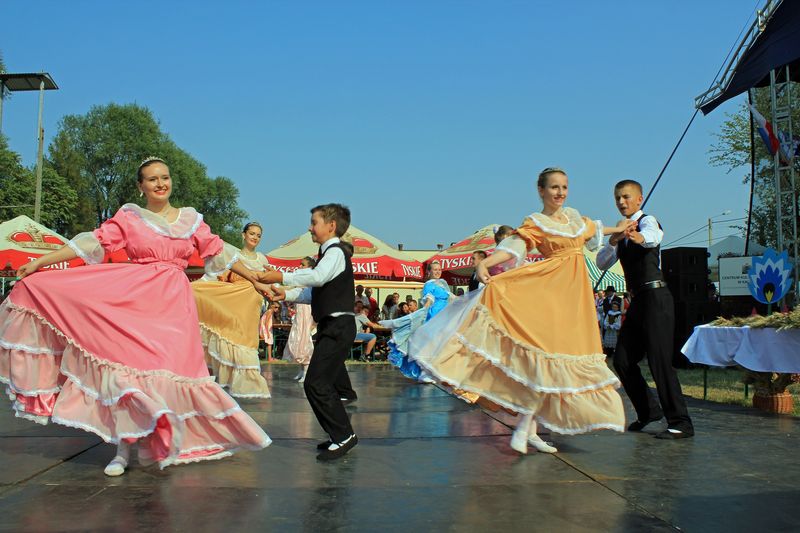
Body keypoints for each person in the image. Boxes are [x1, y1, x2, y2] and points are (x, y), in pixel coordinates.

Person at [0, 157, 270, 476]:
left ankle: (157, 439)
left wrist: (254, 279)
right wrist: (42, 263)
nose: (160, 183)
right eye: (152, 179)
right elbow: (92, 242)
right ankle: (122, 449)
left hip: (174, 306)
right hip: (135, 300)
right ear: (141, 187)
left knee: (172, 372)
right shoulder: (130, 217)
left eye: (165, 177)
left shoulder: (192, 220)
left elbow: (220, 253)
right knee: (127, 373)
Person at [409, 167, 631, 454]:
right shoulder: (536, 222)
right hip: (548, 290)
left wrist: (619, 229)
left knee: (558, 359)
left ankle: (529, 428)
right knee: (544, 355)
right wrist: (485, 263)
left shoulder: (575, 218)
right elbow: (515, 246)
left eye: (564, 187)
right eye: (554, 187)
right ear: (541, 191)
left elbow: (595, 229)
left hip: (574, 298)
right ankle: (527, 427)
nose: (560, 192)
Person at [597, 179, 694, 439]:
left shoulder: (648, 221)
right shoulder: (620, 232)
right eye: (617, 198)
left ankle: (681, 422)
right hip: (638, 300)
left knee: (659, 360)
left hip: (656, 297)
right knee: (622, 360)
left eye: (626, 197)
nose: (621, 202)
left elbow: (652, 239)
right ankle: (649, 411)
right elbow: (601, 261)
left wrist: (636, 235)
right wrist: (615, 239)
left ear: (639, 199)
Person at [261, 203, 359, 461]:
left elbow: (316, 277)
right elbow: (312, 291)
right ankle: (340, 434)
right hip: (332, 326)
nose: (310, 227)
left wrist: (280, 277)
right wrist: (287, 294)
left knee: (316, 383)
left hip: (338, 326)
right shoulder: (327, 255)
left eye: (314, 222)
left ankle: (344, 435)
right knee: (318, 383)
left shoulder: (336, 252)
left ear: (331, 226)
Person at [191, 221, 271, 399]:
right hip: (233, 299)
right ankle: (227, 374)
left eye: (258, 235)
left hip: (252, 303)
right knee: (230, 333)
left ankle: (248, 380)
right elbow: (219, 276)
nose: (255, 237)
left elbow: (269, 281)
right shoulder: (233, 254)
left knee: (246, 339)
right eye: (252, 233)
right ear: (244, 235)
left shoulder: (262, 259)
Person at [382, 260, 453, 382]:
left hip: (444, 317)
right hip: (434, 316)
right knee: (430, 345)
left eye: (439, 269)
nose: (437, 272)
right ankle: (424, 373)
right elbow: (429, 299)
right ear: (429, 272)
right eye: (435, 270)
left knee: (441, 345)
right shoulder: (429, 284)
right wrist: (423, 311)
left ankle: (434, 371)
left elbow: (451, 297)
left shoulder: (442, 284)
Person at [283, 256, 316, 382]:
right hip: (300, 312)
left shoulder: (310, 280)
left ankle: (307, 370)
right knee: (298, 339)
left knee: (305, 340)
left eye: (303, 265)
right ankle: (302, 369)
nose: (300, 267)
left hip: (307, 311)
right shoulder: (301, 280)